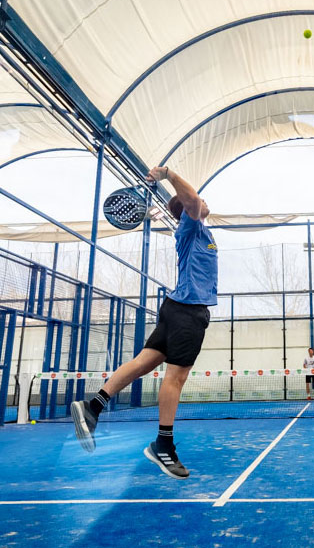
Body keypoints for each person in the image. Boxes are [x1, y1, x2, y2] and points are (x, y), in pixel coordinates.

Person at [69, 165, 217, 479]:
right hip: (188, 311)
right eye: (198, 200)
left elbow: (192, 201)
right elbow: (191, 200)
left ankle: (93, 407)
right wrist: (169, 174)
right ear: (187, 208)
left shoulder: (201, 232)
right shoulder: (191, 224)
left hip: (176, 308)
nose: (203, 201)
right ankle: (163, 445)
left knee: (143, 362)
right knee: (176, 378)